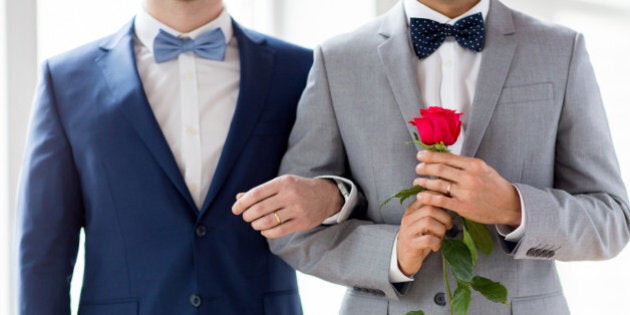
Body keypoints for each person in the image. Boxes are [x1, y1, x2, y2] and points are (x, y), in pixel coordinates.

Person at [232, 0, 630, 313]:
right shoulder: (338, 59)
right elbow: (295, 232)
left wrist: (514, 206)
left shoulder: (560, 49)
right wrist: (392, 253)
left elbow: (612, 219)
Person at [15, 0, 348, 314]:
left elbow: (357, 193)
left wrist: (332, 197)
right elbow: (43, 253)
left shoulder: (300, 70)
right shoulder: (65, 81)